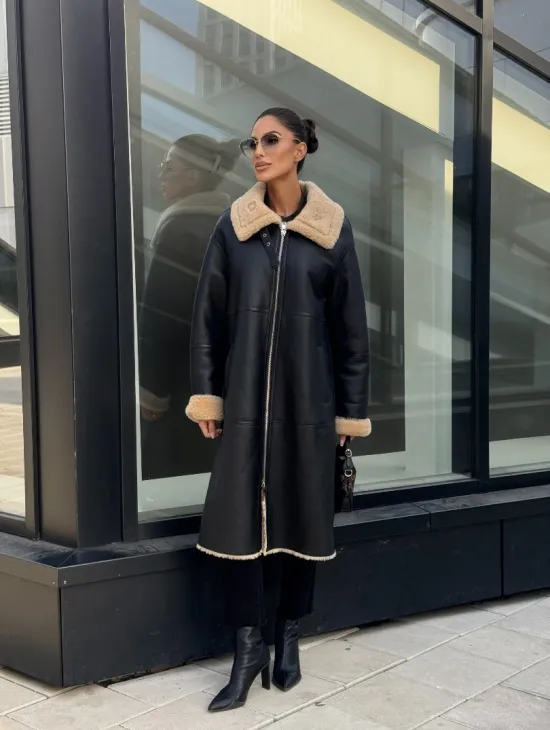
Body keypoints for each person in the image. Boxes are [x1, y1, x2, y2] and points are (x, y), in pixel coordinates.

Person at [186, 108, 371, 712]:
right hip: (244, 404)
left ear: (300, 149)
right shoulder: (233, 228)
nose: (258, 152)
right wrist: (208, 394)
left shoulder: (332, 231)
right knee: (236, 522)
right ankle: (247, 652)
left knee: (303, 521)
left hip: (309, 404)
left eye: (271, 140)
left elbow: (352, 334)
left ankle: (288, 635)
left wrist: (348, 415)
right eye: (253, 142)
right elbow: (207, 320)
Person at [138, 134, 239, 481]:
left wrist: (152, 392)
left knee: (173, 467)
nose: (161, 174)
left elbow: (161, 316)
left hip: (184, 380)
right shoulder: (229, 226)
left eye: (169, 167)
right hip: (224, 377)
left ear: (193, 177)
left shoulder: (180, 229)